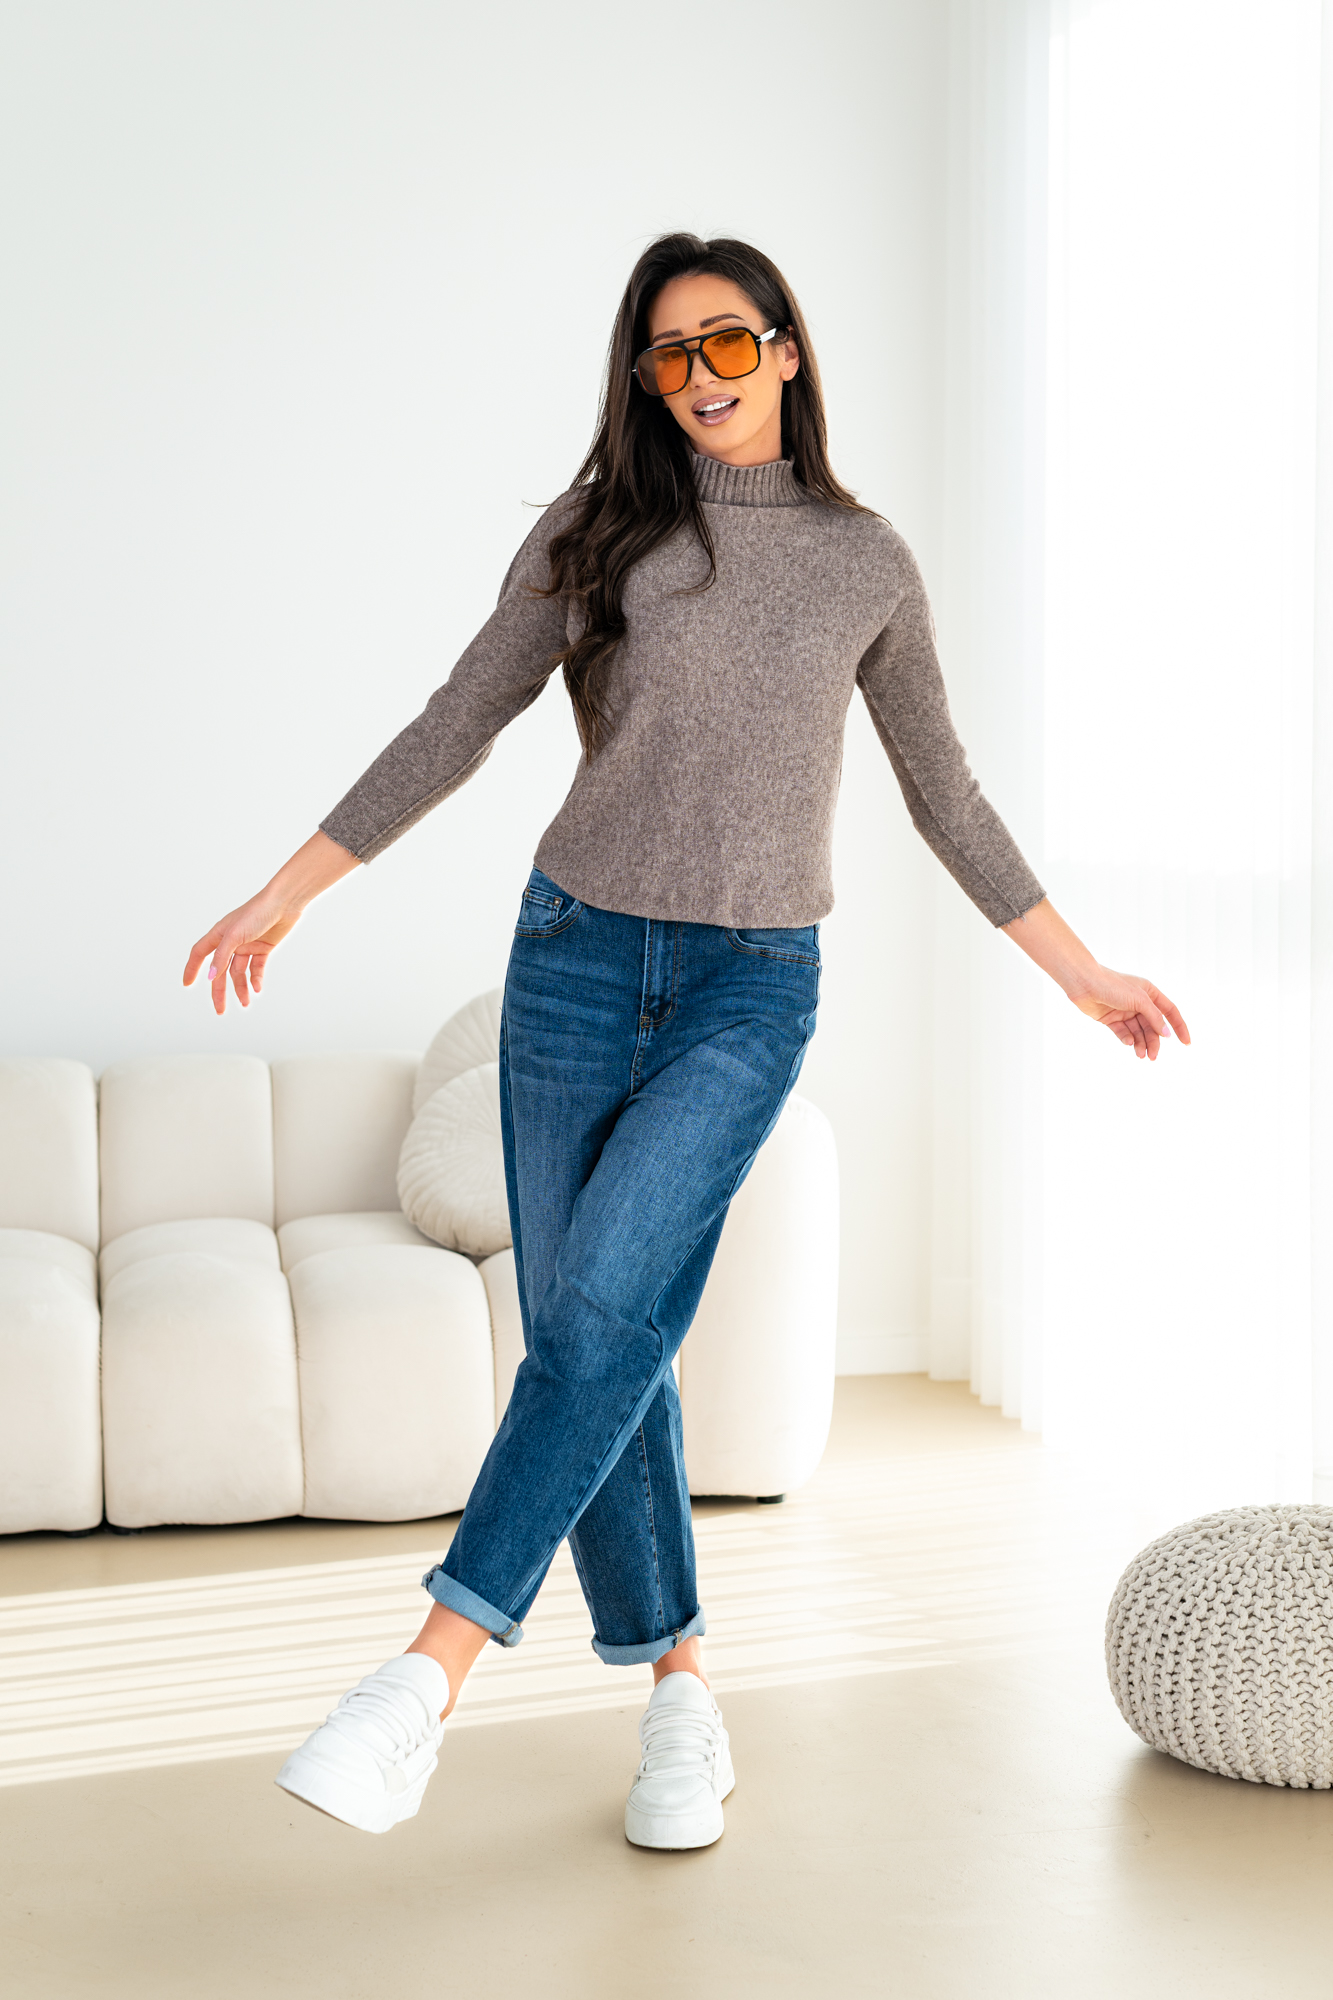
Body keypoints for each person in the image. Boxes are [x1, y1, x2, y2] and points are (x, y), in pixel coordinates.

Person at [184, 232, 1189, 1851]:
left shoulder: (863, 561)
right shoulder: (599, 535)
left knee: (597, 1309)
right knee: (609, 1332)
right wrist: (286, 890)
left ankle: (422, 1680)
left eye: (728, 341)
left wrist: (1075, 971)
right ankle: (680, 1696)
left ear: (784, 350)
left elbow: (943, 790)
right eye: (668, 354)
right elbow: (457, 719)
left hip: (750, 988)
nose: (700, 374)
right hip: (572, 962)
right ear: (644, 379)